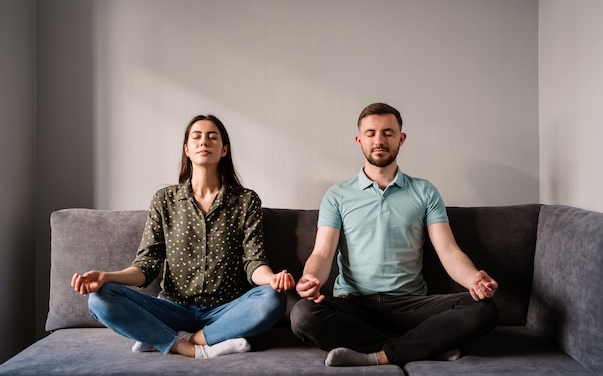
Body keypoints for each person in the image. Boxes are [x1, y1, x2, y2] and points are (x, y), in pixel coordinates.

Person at [290, 102, 499, 367]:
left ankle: (379, 356)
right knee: (303, 315)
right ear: (359, 140)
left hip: (411, 305)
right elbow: (322, 253)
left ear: (401, 139)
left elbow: (449, 251)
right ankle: (423, 345)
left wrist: (474, 280)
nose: (379, 140)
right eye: (371, 133)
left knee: (484, 309)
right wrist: (310, 279)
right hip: (355, 305)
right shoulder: (337, 195)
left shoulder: (424, 191)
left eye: (388, 133)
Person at [71, 114, 295, 359]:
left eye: (212, 137)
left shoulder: (245, 200)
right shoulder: (164, 200)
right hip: (172, 308)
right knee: (99, 298)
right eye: (196, 137)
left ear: (224, 150)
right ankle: (184, 346)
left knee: (273, 298)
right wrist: (106, 277)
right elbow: (145, 267)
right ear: (187, 149)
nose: (204, 142)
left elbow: (254, 262)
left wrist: (272, 278)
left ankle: (187, 338)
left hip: (227, 310)